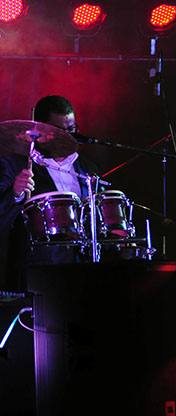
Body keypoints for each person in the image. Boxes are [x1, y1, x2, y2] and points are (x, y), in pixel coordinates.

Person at [0, 95, 100, 290]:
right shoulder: (15, 166)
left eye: (71, 129)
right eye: (60, 131)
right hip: (36, 273)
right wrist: (15, 194)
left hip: (82, 268)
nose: (68, 136)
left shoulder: (88, 168)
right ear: (40, 131)